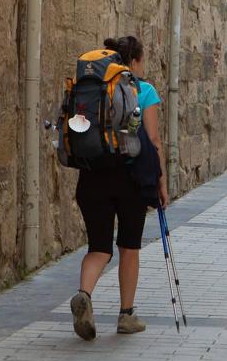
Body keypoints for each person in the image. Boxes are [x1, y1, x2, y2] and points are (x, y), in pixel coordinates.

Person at [70, 36, 169, 341]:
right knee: (129, 247)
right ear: (135, 61)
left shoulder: (92, 86)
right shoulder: (145, 90)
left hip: (91, 176)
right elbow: (152, 141)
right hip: (131, 180)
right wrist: (161, 183)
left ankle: (84, 294)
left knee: (99, 248)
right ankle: (126, 315)